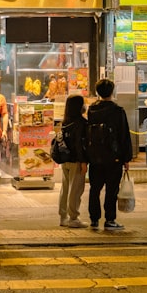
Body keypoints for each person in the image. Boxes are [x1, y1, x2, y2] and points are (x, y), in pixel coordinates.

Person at [85, 78, 133, 232]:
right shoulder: (118, 111)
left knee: (95, 188)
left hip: (95, 157)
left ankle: (94, 219)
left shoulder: (92, 110)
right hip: (114, 157)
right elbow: (124, 136)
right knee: (112, 189)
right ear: (112, 91)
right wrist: (126, 158)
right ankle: (110, 219)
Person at [55, 94, 89, 229]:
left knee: (65, 188)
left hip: (65, 160)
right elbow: (80, 145)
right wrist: (83, 162)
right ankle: (73, 217)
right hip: (76, 160)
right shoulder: (81, 123)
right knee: (76, 189)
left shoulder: (65, 121)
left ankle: (63, 216)